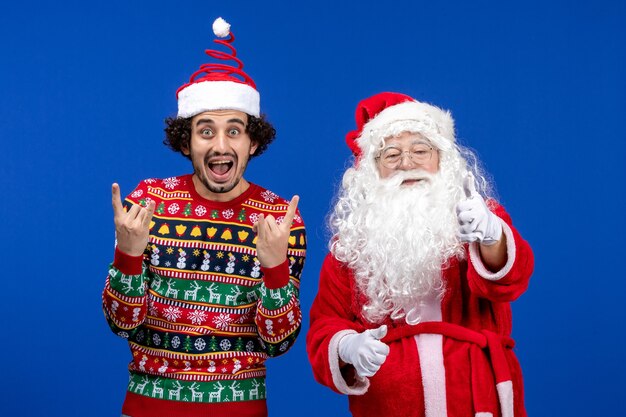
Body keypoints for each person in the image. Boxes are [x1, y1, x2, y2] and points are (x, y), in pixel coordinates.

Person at [102, 18, 306, 417]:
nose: (220, 144)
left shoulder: (281, 219)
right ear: (185, 141)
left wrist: (276, 268)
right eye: (205, 131)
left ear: (254, 141)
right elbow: (121, 323)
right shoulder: (148, 202)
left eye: (234, 131)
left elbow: (278, 342)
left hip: (240, 407)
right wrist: (127, 256)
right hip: (149, 405)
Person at [306, 92, 533, 417]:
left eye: (420, 151)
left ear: (442, 158)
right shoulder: (351, 246)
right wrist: (347, 347)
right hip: (392, 404)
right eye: (391, 154)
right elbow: (324, 324)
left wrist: (493, 236)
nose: (407, 163)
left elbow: (510, 280)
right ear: (372, 170)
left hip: (474, 396)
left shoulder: (478, 217)